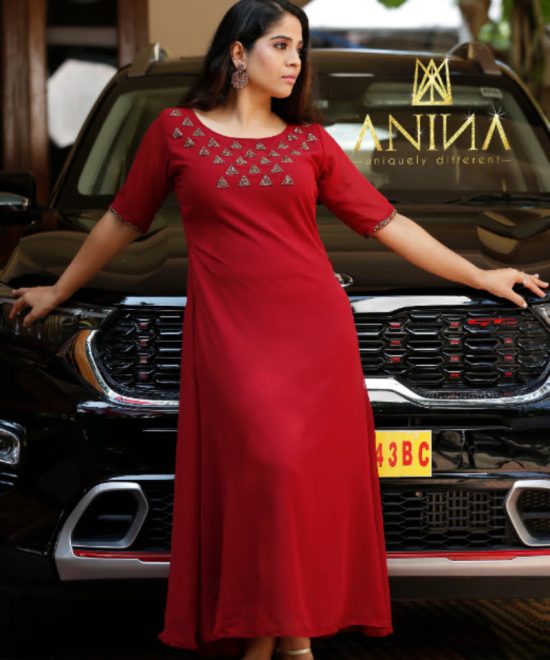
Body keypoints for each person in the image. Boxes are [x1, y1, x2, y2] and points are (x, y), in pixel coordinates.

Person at [8, 1, 548, 658]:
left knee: (287, 485)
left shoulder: (310, 144)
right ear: (238, 52)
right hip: (230, 339)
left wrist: (482, 274)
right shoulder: (176, 132)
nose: (295, 60)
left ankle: (281, 645)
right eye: (282, 45)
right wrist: (60, 289)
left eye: (300, 48)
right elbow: (123, 220)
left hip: (314, 333)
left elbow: (388, 224)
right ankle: (287, 644)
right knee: (264, 473)